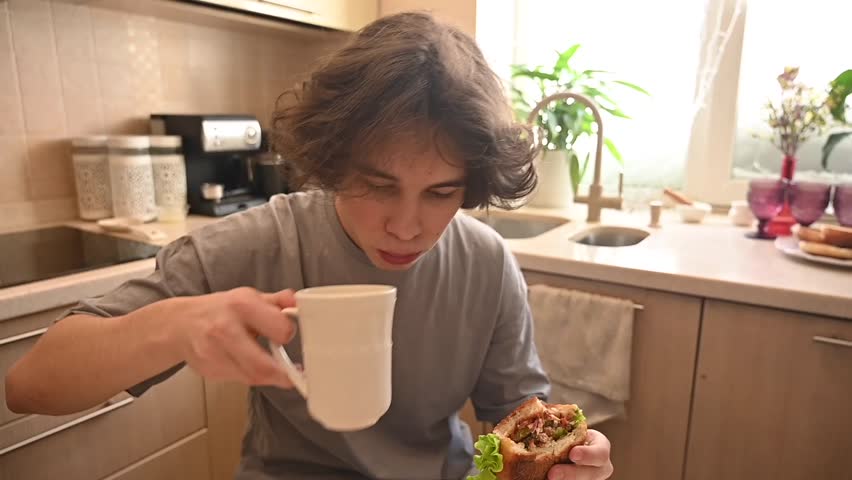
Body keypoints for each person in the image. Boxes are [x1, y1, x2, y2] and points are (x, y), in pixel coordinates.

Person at [5, 11, 613, 480]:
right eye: (378, 185)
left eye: (440, 192)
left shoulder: (486, 262)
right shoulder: (263, 241)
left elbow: (519, 411)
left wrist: (568, 459)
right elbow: (31, 383)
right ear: (331, 160)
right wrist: (178, 324)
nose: (406, 226)